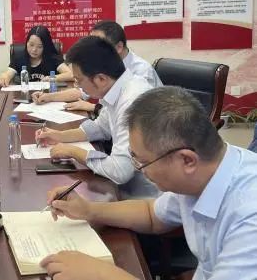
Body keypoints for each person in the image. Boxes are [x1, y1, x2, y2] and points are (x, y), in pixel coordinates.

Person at [41, 86, 257, 280]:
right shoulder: (202, 174)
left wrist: (101, 275)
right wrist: (88, 210)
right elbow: (152, 215)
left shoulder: (249, 215)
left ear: (187, 160)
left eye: (143, 162)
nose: (138, 169)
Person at [35, 36, 157, 198]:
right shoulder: (119, 88)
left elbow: (120, 170)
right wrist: (58, 136)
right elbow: (100, 128)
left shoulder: (132, 100)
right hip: (128, 187)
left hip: (144, 196)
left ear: (101, 79)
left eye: (79, 80)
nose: (77, 85)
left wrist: (73, 151)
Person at [32, 20, 161, 112]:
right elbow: (81, 91)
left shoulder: (141, 71)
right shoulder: (102, 65)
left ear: (119, 47)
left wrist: (93, 107)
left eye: (98, 44)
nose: (91, 49)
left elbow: (136, 113)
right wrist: (48, 97)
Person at [0, 25, 72, 87]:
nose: (34, 50)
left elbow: (71, 75)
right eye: (31, 45)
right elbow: (8, 73)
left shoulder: (53, 58)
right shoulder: (19, 57)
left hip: (48, 96)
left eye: (39, 46)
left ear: (46, 46)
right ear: (27, 42)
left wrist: (52, 78)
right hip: (24, 95)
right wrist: (5, 77)